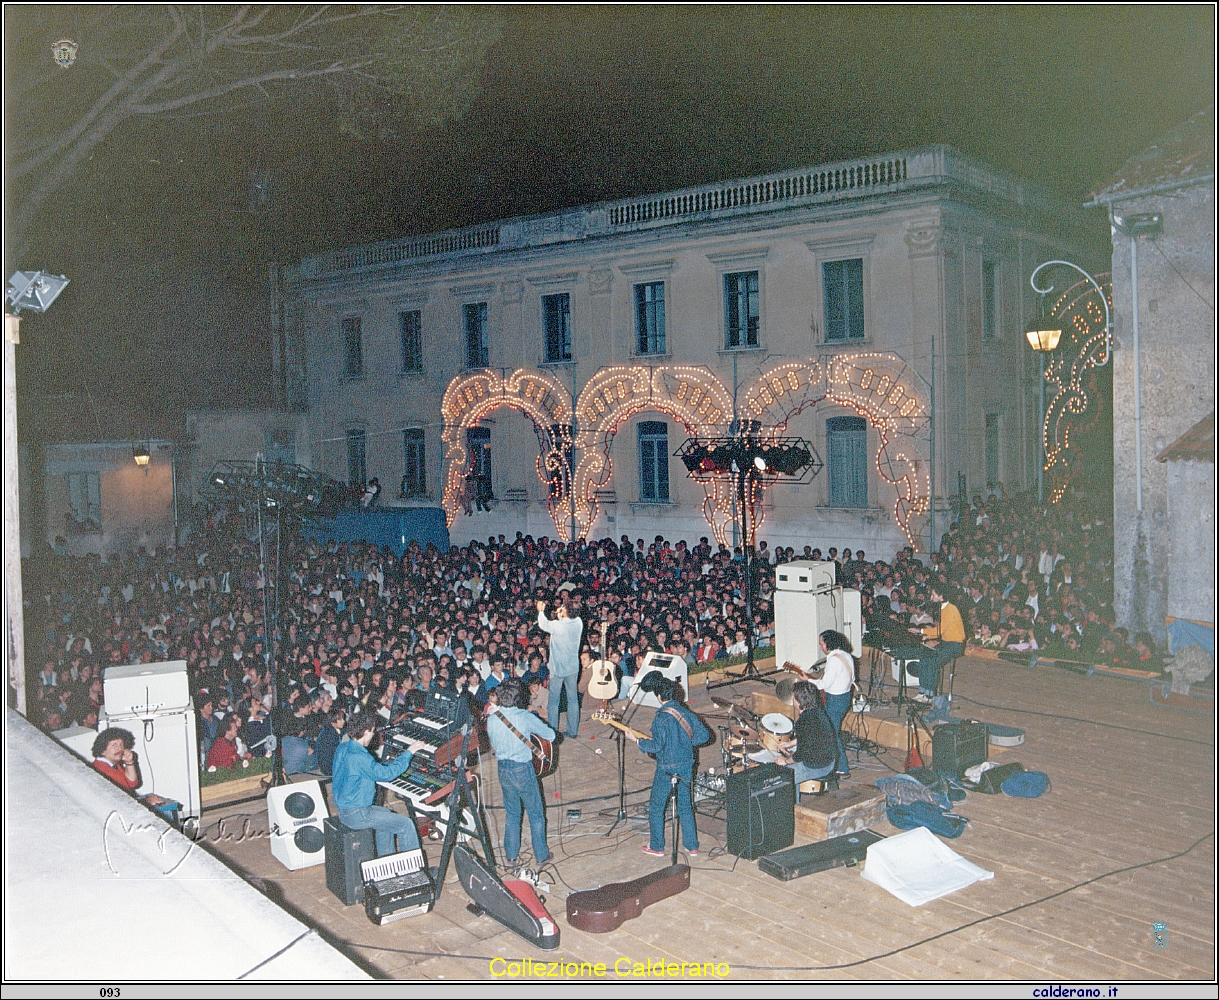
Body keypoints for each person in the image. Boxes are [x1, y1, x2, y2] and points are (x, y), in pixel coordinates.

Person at [624, 671, 709, 858]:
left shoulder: (661, 718)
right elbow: (704, 736)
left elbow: (655, 746)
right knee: (685, 805)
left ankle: (657, 846)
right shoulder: (686, 712)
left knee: (656, 806)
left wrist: (636, 740)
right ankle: (692, 846)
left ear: (659, 696)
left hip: (666, 768)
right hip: (687, 764)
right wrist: (684, 744)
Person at [331, 714, 426, 856]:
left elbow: (362, 771)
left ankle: (387, 863)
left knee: (386, 816)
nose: (374, 734)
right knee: (405, 824)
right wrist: (409, 752)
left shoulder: (343, 748)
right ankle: (415, 871)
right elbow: (387, 774)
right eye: (373, 731)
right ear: (366, 732)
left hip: (345, 810)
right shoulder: (360, 757)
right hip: (358, 814)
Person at [485, 679, 554, 865]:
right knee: (535, 814)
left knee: (512, 813)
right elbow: (551, 735)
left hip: (503, 769)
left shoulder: (492, 719)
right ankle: (541, 855)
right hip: (522, 769)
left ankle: (511, 855)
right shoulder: (524, 716)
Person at [805, 630, 856, 777]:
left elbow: (824, 685)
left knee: (832, 734)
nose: (820, 647)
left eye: (821, 643)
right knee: (832, 731)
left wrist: (808, 680)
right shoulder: (845, 655)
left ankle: (842, 768)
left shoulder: (833, 660)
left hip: (835, 700)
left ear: (828, 643)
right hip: (845, 697)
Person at [773, 681, 838, 784]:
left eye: (793, 696)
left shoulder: (803, 721)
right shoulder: (818, 711)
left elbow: (801, 755)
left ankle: (794, 799)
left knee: (782, 778)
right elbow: (811, 737)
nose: (792, 699)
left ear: (799, 701)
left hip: (817, 766)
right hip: (829, 760)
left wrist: (785, 761)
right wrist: (791, 743)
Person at [537, 598, 583, 740]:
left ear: (566, 611)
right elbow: (564, 620)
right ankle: (573, 731)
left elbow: (543, 624)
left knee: (553, 701)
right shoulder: (579, 622)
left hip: (558, 669)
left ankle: (553, 733)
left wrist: (540, 611)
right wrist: (561, 614)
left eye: (563, 607)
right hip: (573, 667)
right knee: (573, 698)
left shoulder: (558, 625)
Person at [911, 587, 966, 699]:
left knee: (934, 661)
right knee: (925, 657)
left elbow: (940, 631)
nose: (931, 597)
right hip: (946, 642)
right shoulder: (942, 608)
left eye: (933, 595)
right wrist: (927, 636)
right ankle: (922, 692)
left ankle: (930, 695)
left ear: (941, 596)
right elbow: (941, 631)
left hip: (955, 644)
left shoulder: (951, 609)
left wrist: (921, 631)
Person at [91, 727, 169, 807]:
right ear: (102, 750)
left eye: (121, 744)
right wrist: (146, 801)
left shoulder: (113, 764)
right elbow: (121, 801)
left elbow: (132, 784)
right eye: (114, 745)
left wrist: (129, 762)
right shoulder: (101, 768)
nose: (120, 748)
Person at [315, 705, 346, 776]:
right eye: (340, 719)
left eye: (343, 719)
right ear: (333, 721)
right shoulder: (330, 734)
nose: (343, 721)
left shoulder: (331, 729)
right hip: (329, 767)